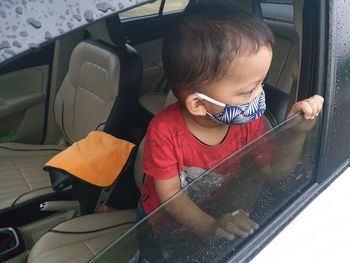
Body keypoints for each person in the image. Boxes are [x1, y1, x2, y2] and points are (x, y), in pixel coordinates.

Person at [133, 1, 324, 262]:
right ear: (199, 104)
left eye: (261, 84)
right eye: (248, 91)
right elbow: (170, 195)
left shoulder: (247, 123)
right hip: (161, 220)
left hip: (211, 210)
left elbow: (275, 171)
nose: (260, 96)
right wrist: (208, 227)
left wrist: (297, 132)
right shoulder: (165, 131)